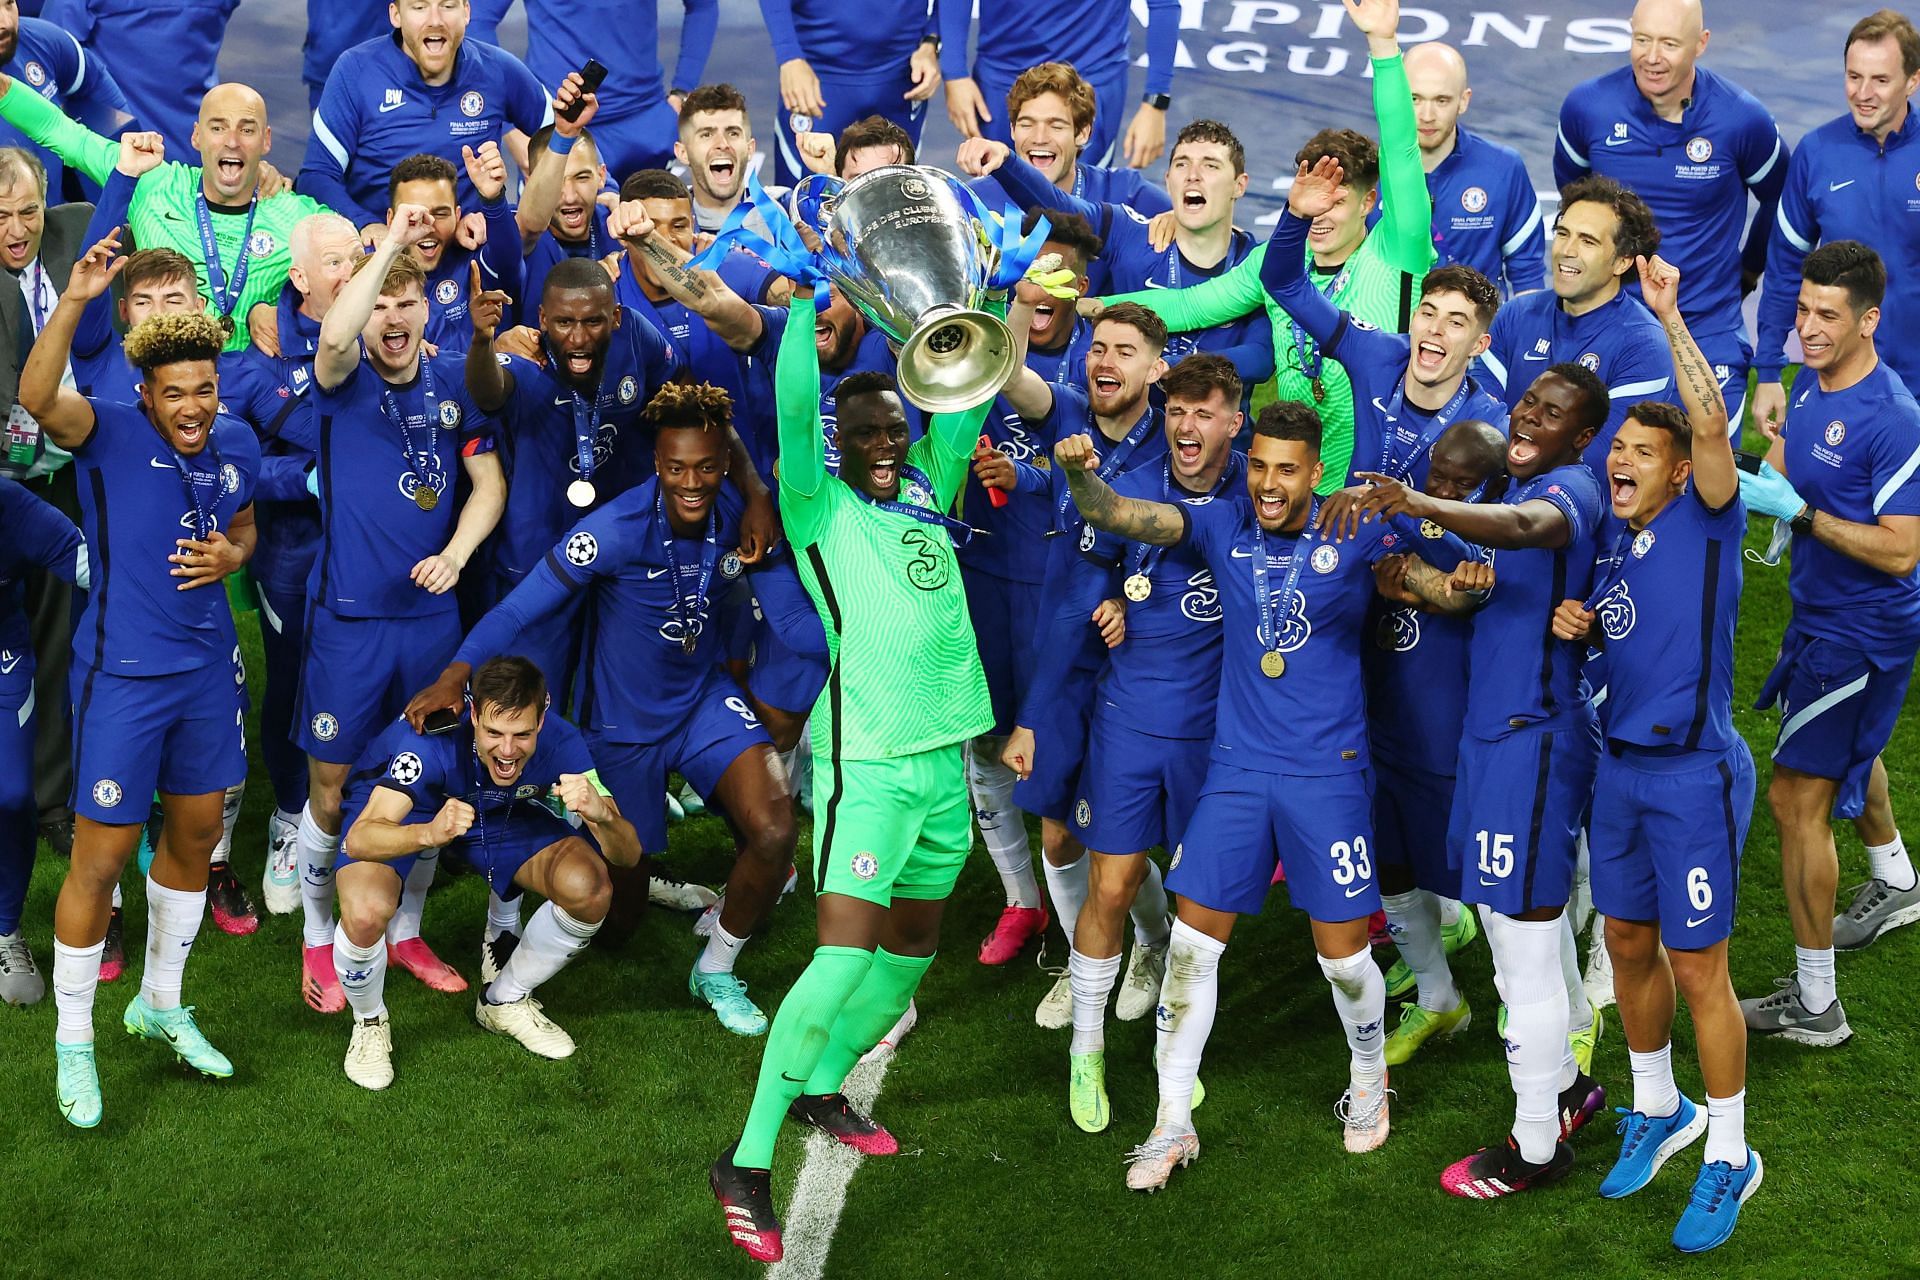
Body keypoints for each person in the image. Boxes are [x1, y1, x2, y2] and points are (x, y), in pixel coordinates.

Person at [1056, 398, 1477, 1190]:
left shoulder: (1354, 531)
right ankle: (1171, 1122)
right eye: (1258, 467)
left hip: (1329, 776)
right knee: (1190, 950)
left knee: (1346, 962)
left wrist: (1462, 584)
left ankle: (1366, 1078)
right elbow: (1117, 513)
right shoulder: (1220, 526)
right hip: (1239, 773)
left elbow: (1445, 591)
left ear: (1317, 473)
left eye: (1286, 470)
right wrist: (1081, 472)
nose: (1269, 484)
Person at [709, 281, 1016, 1265]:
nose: (888, 443)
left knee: (911, 958)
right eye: (869, 432)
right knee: (842, 958)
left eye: (895, 428)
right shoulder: (816, 504)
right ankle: (746, 1159)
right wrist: (799, 313)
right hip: (867, 766)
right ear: (842, 446)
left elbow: (967, 391)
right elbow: (797, 408)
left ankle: (824, 1082)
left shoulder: (929, 486)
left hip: (942, 764)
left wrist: (988, 297)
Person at [411, 384, 817, 1036]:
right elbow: (523, 606)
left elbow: (791, 612)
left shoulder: (740, 512)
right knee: (619, 922)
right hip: (623, 728)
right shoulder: (613, 531)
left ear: (723, 464)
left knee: (774, 832)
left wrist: (851, 643)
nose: (693, 482)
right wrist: (456, 674)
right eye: (677, 467)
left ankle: (715, 967)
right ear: (656, 463)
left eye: (707, 467)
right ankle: (555, 854)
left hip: (704, 702)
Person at [1340, 363, 1613, 1199]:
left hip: (1533, 741)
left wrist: (1418, 504)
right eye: (1529, 401)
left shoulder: (1568, 492)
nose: (1532, 417)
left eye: (1553, 412)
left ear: (1582, 435)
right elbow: (1484, 564)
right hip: (1494, 742)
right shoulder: (1507, 508)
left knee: (1519, 950)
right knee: (1512, 929)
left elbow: (1527, 524)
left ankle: (1535, 1150)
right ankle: (1568, 1090)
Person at [1551, 254, 1760, 1254]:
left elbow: (1712, 422)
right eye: (1616, 447)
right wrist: (1578, 622)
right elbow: (1620, 637)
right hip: (1619, 772)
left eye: (1642, 449)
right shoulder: (1616, 540)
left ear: (1679, 470)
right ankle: (1657, 1107)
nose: (1621, 460)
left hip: (1692, 775)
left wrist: (1672, 317)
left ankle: (1730, 1152)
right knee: (1628, 946)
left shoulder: (1709, 518)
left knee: (1698, 964)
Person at [22, 245, 259, 1126]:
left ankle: (160, 1002)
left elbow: (243, 522)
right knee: (102, 859)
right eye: (176, 393)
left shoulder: (234, 439)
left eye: (204, 388)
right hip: (123, 677)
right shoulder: (109, 429)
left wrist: (237, 554)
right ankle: (73, 1047)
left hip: (205, 676)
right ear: (147, 394)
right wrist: (77, 297)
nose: (192, 406)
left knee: (197, 838)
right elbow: (37, 400)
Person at [292, 206, 506, 1017]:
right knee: (333, 780)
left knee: (421, 779)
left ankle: (408, 929)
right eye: (380, 303)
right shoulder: (340, 376)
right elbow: (336, 336)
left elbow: (488, 486)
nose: (392, 319)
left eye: (408, 304)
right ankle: (317, 932)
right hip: (350, 622)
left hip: (429, 626)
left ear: (427, 310)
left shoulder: (454, 380)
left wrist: (457, 552)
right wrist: (377, 257)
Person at [1096, 0, 1432, 490]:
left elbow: (1402, 150)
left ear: (1368, 203)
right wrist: (1093, 305)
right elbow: (1188, 305)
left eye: (1335, 201)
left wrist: (1383, 47)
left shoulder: (1397, 249)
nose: (1319, 216)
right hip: (1293, 486)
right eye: (1309, 201)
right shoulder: (1275, 264)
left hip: (1381, 479)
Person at [1038, 354, 1243, 1133]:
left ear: (1234, 419)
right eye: (1178, 412)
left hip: (1216, 736)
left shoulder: (1255, 495)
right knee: (1113, 888)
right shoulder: (1142, 478)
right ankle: (1085, 1050)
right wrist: (1110, 612)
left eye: (1205, 413)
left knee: (1198, 912)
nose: (1188, 428)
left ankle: (1172, 1055)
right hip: (1128, 720)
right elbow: (1102, 543)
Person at [1736, 240, 1920, 1043]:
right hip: (1822, 619)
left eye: (1825, 316)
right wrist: (1765, 471)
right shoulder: (1813, 386)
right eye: (1802, 311)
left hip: (1862, 635)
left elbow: (1903, 548)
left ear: (1869, 320)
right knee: (1850, 751)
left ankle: (1817, 1004)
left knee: (1793, 799)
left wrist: (1800, 515)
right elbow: (1791, 467)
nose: (1805, 329)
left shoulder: (1892, 419)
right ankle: (1898, 878)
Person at [332, 655, 641, 1088]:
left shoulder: (563, 742)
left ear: (543, 718)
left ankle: (503, 1001)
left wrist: (601, 815)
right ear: (473, 713)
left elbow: (627, 856)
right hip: (411, 811)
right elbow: (359, 840)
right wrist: (427, 833)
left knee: (590, 889)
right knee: (365, 912)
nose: (508, 750)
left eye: (522, 734)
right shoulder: (427, 743)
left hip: (494, 810)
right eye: (493, 732)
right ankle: (368, 1023)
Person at [997, 301, 1172, 1023]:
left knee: (1121, 833)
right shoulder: (1066, 411)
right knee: (1059, 829)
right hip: (1064, 653)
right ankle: (1082, 957)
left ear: (1155, 369)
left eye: (1126, 351)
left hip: (1142, 659)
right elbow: (1010, 373)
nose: (1106, 362)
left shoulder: (1179, 443)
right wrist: (1014, 300)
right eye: (1099, 347)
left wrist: (1140, 603)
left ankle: (1154, 942)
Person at [958, 214, 1099, 962]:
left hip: (1057, 588)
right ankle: (1022, 903)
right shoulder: (958, 355)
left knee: (1050, 754)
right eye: (1025, 275)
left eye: (1056, 276)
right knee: (983, 743)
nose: (1039, 289)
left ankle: (1089, 927)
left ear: (1081, 291)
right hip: (981, 577)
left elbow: (1055, 420)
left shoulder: (1096, 368)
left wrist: (1031, 478)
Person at [219, 211, 363, 914]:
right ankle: (288, 819)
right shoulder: (251, 364)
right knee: (294, 686)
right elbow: (233, 468)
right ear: (300, 279)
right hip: (294, 552)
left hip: (381, 551)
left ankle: (369, 823)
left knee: (377, 679)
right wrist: (305, 481)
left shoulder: (393, 330)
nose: (352, 270)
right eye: (335, 262)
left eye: (358, 255)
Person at [1554, 0, 1786, 422]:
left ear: (1701, 44)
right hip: (1609, 326)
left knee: (1709, 479)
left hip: (1706, 330)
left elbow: (1781, 199)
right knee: (1599, 472)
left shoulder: (1742, 119)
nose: (1652, 57)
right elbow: (1575, 202)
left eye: (1669, 43)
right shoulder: (1586, 109)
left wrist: (1749, 270)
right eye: (1642, 40)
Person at [1359, 419, 1506, 1065]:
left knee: (1496, 892)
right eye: (1436, 476)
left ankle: (1537, 1007)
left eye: (1461, 484)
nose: (1441, 490)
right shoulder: (1398, 522)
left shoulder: (1496, 549)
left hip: (1456, 752)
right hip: (1386, 738)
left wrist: (1418, 583)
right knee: (1391, 870)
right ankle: (1440, 996)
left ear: (1494, 491)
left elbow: (1467, 598)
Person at [0, 71, 326, 352]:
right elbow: (68, 136)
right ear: (196, 136)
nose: (232, 142)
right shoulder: (153, 181)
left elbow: (356, 280)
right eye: (218, 127)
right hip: (157, 383)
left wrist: (283, 311)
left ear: (266, 140)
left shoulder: (299, 215)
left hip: (254, 392)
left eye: (247, 130)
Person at [959, 119, 1272, 388]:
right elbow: (1061, 207)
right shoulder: (1130, 232)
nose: (1193, 175)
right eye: (1182, 164)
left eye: (1211, 165)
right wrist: (1006, 161)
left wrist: (1162, 368)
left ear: (1239, 186)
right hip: (1119, 439)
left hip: (1215, 444)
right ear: (1168, 180)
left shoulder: (1258, 262)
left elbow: (1259, 358)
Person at [1259, 155, 1509, 488]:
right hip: (1345, 534)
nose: (1435, 328)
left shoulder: (1487, 424)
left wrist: (1403, 513)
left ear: (1479, 344)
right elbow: (1283, 284)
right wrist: (1297, 216)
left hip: (1419, 539)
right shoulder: (1376, 352)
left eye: (1456, 322)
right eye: (1429, 312)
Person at [1753, 9, 1920, 435]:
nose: (1863, 93)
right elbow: (1786, 265)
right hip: (1838, 378)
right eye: (1853, 76)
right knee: (1826, 500)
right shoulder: (1816, 152)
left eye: (1880, 80)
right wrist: (1770, 369)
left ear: (1912, 81)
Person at [0, 142, 98, 860]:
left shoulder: (79, 231)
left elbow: (146, 199)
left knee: (58, 642)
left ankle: (50, 799)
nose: (16, 228)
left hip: (61, 482)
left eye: (28, 211)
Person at [302, 0, 552, 243]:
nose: (435, 20)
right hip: (383, 259)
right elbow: (317, 175)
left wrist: (500, 214)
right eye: (420, 7)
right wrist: (365, 223)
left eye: (447, 5)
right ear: (395, 15)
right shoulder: (355, 72)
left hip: (468, 256)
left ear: (466, 12)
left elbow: (562, 134)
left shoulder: (499, 70)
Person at [1480, 174, 1672, 465]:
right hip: (1494, 492)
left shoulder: (1644, 346)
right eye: (1563, 233)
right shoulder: (1514, 315)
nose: (1566, 251)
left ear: (1622, 261)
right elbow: (1479, 422)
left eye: (1587, 241)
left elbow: (1600, 459)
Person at [0, 472, 85, 1005]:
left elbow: (88, 563)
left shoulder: (9, 503)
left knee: (10, 796)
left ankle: (5, 929)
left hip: (2, 662)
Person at [470, 0, 717, 176]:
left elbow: (703, 6)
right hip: (555, 129)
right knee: (549, 248)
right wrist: (513, 131)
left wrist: (682, 92)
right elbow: (477, 19)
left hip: (645, 129)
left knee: (655, 246)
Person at [939, 0, 1179, 171]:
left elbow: (1164, 3)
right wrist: (954, 73)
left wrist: (1155, 102)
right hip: (1001, 79)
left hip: (1091, 81)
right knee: (996, 216)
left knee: (1079, 217)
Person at [1402, 41, 1543, 297]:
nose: (1427, 115)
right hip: (1386, 333)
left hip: (1481, 334)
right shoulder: (1369, 172)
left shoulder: (1502, 169)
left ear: (1464, 101)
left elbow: (1528, 277)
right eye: (1414, 99)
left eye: (1441, 100)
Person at [961, 62, 1172, 229]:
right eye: (1027, 124)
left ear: (1081, 133)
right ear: (1012, 130)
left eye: (1056, 126)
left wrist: (1178, 222)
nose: (1040, 137)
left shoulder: (1124, 194)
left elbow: (1196, 223)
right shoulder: (975, 200)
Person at [760, 0, 940, 187]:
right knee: (802, 200)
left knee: (899, 198)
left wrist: (932, 42)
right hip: (818, 73)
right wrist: (789, 55)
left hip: (901, 74)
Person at [381, 149, 522, 352]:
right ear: (391, 219)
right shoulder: (370, 277)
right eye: (414, 214)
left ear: (457, 215)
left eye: (440, 214)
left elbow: (509, 261)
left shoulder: (473, 259)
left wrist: (493, 201)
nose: (428, 226)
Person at [0, 0, 137, 200]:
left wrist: (122, 178)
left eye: (9, 3)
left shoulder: (40, 41)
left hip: (52, 221)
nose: (5, 22)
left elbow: (94, 80)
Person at [675, 83, 780, 236]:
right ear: (683, 153)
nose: (722, 144)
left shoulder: (781, 219)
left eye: (733, 133)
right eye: (707, 135)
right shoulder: (661, 226)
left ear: (750, 148)